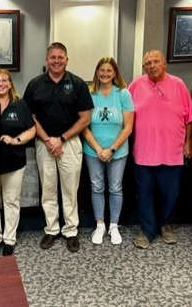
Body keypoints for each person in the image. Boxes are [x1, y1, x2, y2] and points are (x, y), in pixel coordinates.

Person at [23, 42, 93, 253]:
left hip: (69, 143)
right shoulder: (35, 84)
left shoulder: (78, 84)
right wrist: (48, 140)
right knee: (48, 189)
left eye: (60, 57)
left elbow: (85, 118)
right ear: (47, 60)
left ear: (66, 59)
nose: (56, 61)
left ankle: (71, 231)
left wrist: (61, 139)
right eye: (52, 57)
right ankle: (51, 229)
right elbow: (30, 116)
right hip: (44, 144)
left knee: (70, 190)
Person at [128, 50, 192, 249]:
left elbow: (190, 118)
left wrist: (188, 142)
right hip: (144, 152)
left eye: (155, 61)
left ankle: (166, 225)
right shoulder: (136, 85)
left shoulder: (179, 84)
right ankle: (148, 231)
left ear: (164, 63)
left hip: (172, 152)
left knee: (170, 194)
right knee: (144, 194)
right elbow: (124, 113)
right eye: (147, 63)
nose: (151, 65)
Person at [0, 69, 36, 256]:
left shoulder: (20, 105)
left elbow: (32, 129)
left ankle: (9, 239)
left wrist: (16, 140)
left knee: (11, 201)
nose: (0, 84)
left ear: (10, 84)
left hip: (14, 163)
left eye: (4, 80)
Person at [82, 57, 133, 245]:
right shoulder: (89, 94)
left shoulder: (123, 94)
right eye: (101, 70)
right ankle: (100, 225)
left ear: (114, 73)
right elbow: (84, 126)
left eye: (109, 71)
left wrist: (111, 149)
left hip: (118, 151)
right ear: (97, 72)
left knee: (115, 187)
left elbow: (128, 127)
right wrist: (98, 149)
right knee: (97, 187)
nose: (105, 74)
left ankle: (113, 226)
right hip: (93, 150)